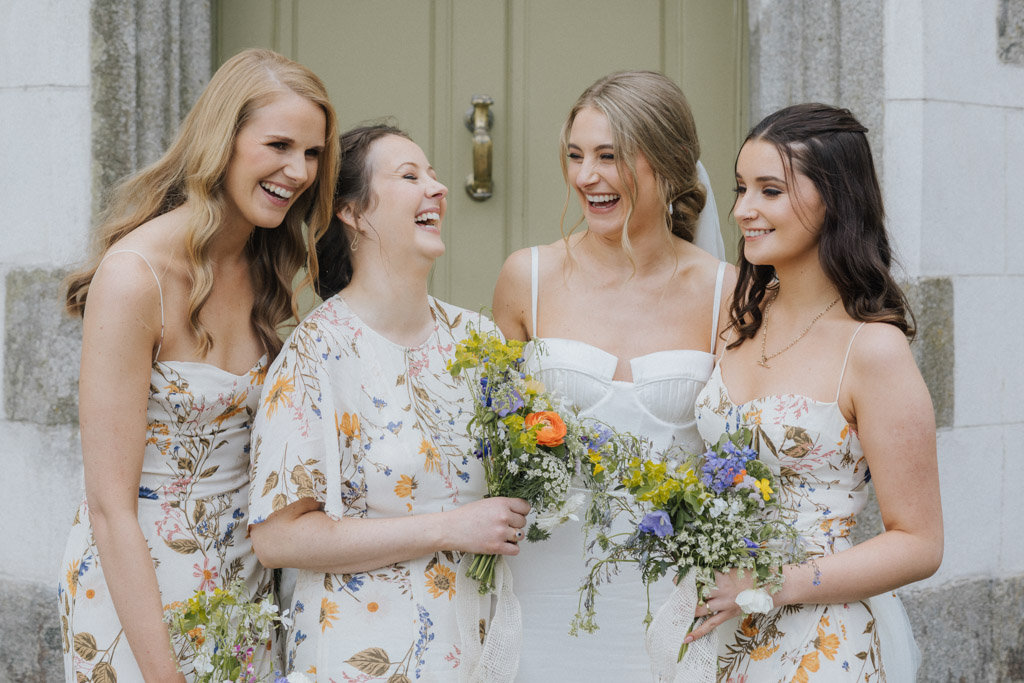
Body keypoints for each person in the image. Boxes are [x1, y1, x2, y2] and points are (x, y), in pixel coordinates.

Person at [57, 48, 339, 681]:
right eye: (279, 145)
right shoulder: (136, 280)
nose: (297, 171)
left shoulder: (267, 265)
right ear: (223, 142)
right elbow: (110, 506)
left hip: (246, 590)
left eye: (313, 153)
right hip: (140, 595)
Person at [247, 124, 531, 680]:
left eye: (432, 173)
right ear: (352, 213)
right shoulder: (316, 354)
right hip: (359, 656)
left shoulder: (478, 342)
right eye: (410, 176)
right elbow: (277, 536)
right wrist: (448, 528)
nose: (438, 188)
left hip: (477, 653)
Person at [492, 70, 733, 680]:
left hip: (670, 586)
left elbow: (740, 453)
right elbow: (487, 438)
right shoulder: (528, 277)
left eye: (610, 156)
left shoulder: (724, 294)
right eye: (575, 156)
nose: (585, 177)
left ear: (671, 165)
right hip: (543, 578)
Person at [690, 103, 942, 680]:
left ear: (836, 199)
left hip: (821, 637)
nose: (743, 211)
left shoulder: (873, 349)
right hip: (722, 627)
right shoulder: (738, 320)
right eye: (741, 189)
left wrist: (775, 585)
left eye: (770, 191)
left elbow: (920, 542)